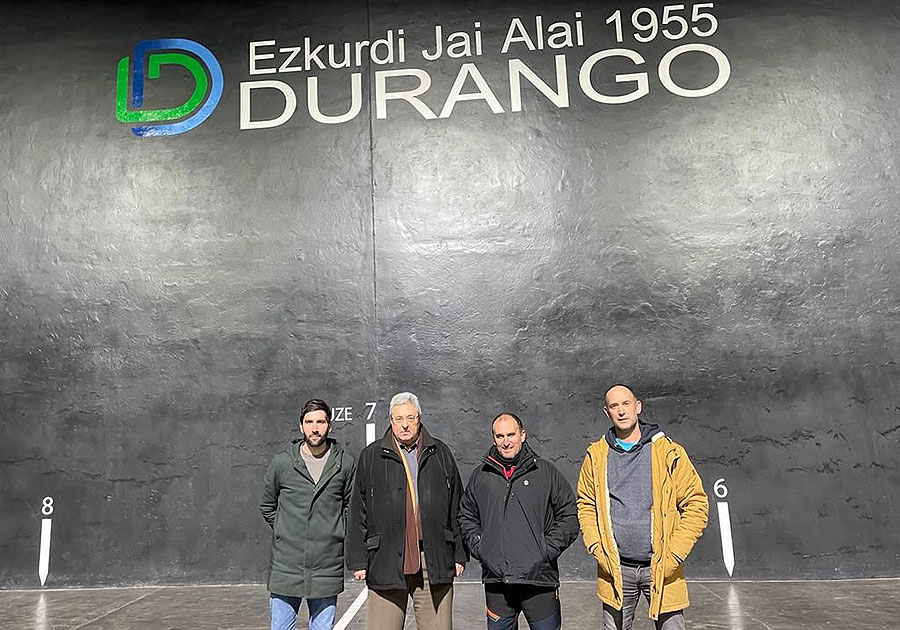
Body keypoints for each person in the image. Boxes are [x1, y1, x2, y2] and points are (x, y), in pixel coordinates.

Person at [576, 385, 708, 630]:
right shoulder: (596, 456)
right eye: (614, 406)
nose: (621, 411)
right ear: (607, 412)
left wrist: (674, 555)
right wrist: (596, 546)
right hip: (616, 569)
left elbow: (696, 504)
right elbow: (586, 504)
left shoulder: (668, 452)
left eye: (626, 404)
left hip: (662, 567)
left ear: (638, 407)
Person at [347, 392, 467, 630]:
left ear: (419, 419)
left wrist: (459, 554)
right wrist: (358, 560)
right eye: (399, 418)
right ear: (391, 420)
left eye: (410, 418)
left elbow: (457, 506)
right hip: (385, 559)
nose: (405, 424)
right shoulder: (371, 456)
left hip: (433, 559)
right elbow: (358, 511)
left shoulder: (440, 453)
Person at [459, 412, 579, 630]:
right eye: (500, 436)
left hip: (539, 581)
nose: (506, 442)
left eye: (511, 435)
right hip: (497, 583)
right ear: (494, 439)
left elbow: (569, 515)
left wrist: (545, 550)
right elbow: (466, 515)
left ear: (522, 435)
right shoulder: (481, 476)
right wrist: (481, 547)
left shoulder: (545, 472)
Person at [260, 398, 356, 630]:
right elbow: (268, 506)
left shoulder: (345, 464)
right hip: (286, 564)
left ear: (329, 425)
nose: (315, 428)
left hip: (327, 563)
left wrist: (333, 531)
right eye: (309, 422)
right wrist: (285, 530)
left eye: (321, 422)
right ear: (301, 426)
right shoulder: (282, 463)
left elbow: (349, 507)